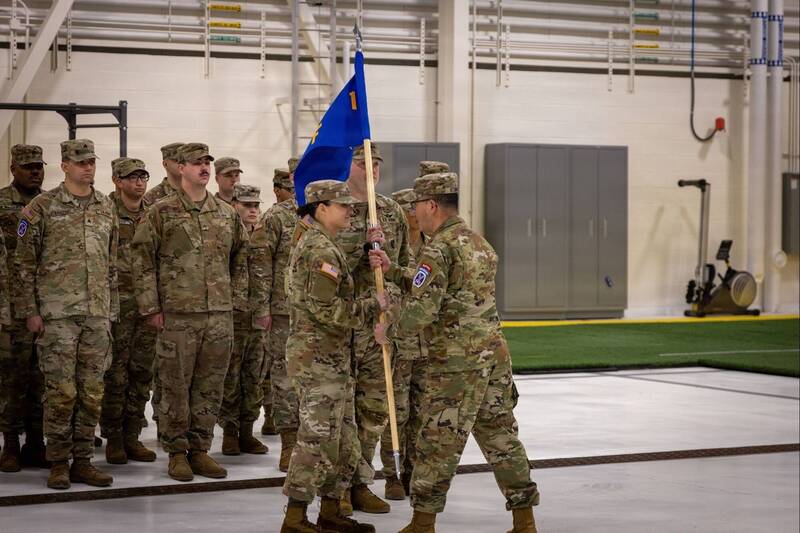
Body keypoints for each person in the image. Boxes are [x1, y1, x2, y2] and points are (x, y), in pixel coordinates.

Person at [375, 172, 540, 533]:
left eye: (417, 205)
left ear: (432, 205)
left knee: (437, 441)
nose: (414, 212)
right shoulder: (479, 243)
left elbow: (423, 310)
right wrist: (394, 271)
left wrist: (390, 330)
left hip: (457, 363)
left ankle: (422, 523)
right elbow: (445, 289)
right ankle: (524, 520)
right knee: (501, 436)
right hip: (493, 357)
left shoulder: (438, 248)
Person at [131, 143, 251, 482]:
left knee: (211, 386)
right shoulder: (161, 211)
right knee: (175, 386)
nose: (204, 168)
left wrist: (236, 301)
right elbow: (142, 260)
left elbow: (241, 259)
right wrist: (150, 307)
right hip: (178, 315)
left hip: (219, 315)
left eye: (207, 162)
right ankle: (176, 452)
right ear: (180, 168)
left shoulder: (225, 213)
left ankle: (200, 449)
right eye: (196, 163)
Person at [279, 179, 386, 533]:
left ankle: (330, 510)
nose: (350, 211)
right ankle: (295, 516)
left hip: (332, 358)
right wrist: (372, 306)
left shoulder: (327, 244)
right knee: (316, 439)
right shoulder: (319, 250)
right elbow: (327, 310)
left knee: (342, 438)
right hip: (317, 359)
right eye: (343, 205)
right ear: (321, 208)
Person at [14, 139, 119, 490]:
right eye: (80, 162)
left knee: (92, 392)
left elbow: (111, 263)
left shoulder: (105, 206)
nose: (88, 167)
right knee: (61, 392)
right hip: (57, 316)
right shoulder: (41, 208)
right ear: (64, 166)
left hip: (96, 315)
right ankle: (58, 462)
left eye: (91, 161)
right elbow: (23, 265)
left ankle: (84, 461)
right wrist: (30, 312)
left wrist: (111, 311)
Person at [338, 142, 409, 515]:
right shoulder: (332, 210)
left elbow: (403, 267)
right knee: (338, 410)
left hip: (378, 328)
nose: (372, 169)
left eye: (376, 163)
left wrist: (394, 315)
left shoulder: (391, 211)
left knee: (373, 408)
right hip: (340, 327)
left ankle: (360, 483)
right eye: (363, 162)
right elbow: (320, 266)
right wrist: (359, 245)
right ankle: (335, 489)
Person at [379, 161, 448, 499]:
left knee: (422, 411)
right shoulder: (392, 247)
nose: (414, 214)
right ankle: (392, 474)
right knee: (396, 411)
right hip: (400, 340)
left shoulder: (437, 245)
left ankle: (413, 470)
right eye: (408, 208)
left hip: (429, 342)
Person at [99, 158, 158, 465]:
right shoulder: (104, 211)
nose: (139, 182)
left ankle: (132, 436)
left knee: (142, 373)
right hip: (117, 306)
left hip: (147, 307)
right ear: (117, 181)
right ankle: (113, 438)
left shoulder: (154, 213)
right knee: (115, 375)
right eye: (132, 177)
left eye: (143, 177)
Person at [0, 144, 47, 472]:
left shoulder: (50, 204)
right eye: (28, 167)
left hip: (44, 303)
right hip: (12, 305)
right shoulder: (2, 202)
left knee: (41, 377)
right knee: (12, 377)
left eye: (38, 166)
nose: (34, 172)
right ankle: (11, 445)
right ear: (13, 168)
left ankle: (36, 442)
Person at [251, 167, 300, 471]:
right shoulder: (277, 217)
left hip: (323, 312)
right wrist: (262, 308)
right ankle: (290, 442)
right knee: (284, 380)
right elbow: (260, 264)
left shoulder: (330, 212)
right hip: (284, 312)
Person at [219, 183, 269, 456]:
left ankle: (247, 431)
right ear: (234, 205)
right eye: (247, 205)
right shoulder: (225, 232)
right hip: (232, 314)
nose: (253, 210)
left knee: (254, 375)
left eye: (256, 205)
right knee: (231, 375)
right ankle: (230, 431)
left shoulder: (264, 234)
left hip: (258, 316)